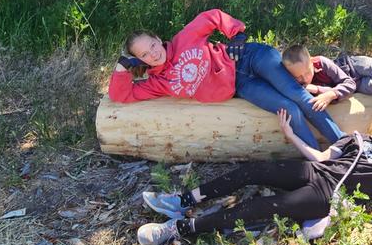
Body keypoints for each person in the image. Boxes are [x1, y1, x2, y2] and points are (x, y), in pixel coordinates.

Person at [136, 100, 372, 245]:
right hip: (314, 171)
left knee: (259, 208)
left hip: (327, 195)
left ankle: (181, 228)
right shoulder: (355, 138)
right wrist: (292, 137)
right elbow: (320, 157)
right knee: (254, 170)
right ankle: (183, 199)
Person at [108, 9, 343, 150]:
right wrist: (121, 68)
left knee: (298, 96)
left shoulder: (184, 38)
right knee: (290, 109)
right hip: (241, 85)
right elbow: (121, 95)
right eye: (144, 55)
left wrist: (237, 34)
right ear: (140, 60)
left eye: (152, 46)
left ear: (158, 39)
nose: (153, 53)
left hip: (250, 57)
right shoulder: (158, 83)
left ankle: (346, 146)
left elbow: (213, 16)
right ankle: (321, 160)